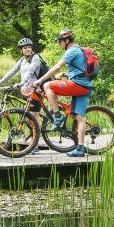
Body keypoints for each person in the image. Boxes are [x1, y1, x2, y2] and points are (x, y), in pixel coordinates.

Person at [32, 29, 93, 157]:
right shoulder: (79, 50)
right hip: (85, 87)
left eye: (60, 41)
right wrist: (66, 74)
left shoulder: (72, 50)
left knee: (47, 85)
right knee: (79, 118)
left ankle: (57, 116)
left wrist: (40, 80)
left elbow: (57, 67)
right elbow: (80, 71)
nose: (59, 44)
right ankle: (80, 149)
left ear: (67, 40)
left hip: (78, 85)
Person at [0, 37, 43, 124]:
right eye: (25, 48)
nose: (27, 49)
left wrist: (20, 83)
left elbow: (30, 72)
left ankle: (37, 137)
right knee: (28, 116)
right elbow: (11, 72)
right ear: (21, 50)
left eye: (29, 47)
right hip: (25, 91)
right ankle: (34, 135)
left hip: (35, 90)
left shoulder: (36, 58)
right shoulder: (22, 60)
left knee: (34, 115)